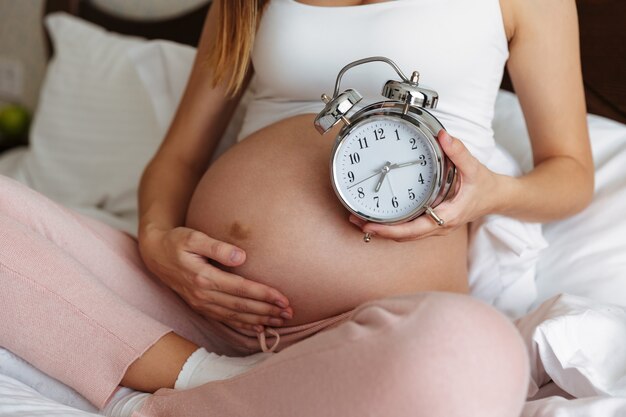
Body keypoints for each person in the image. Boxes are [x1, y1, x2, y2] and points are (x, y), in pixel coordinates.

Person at [0, 0, 592, 416]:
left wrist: (490, 193)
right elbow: (177, 158)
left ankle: (163, 397)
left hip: (372, 326)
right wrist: (157, 242)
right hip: (197, 305)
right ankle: (201, 376)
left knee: (479, 348)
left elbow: (571, 173)